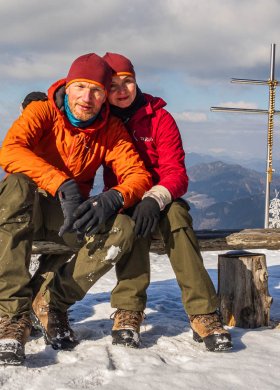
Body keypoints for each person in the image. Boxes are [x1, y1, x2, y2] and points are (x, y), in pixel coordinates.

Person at [23, 53, 233, 352]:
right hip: (122, 197)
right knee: (127, 223)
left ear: (137, 82)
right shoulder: (102, 119)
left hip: (162, 197)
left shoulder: (159, 118)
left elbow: (177, 173)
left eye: (128, 82)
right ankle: (128, 310)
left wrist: (155, 198)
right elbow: (70, 115)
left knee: (176, 218)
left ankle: (203, 313)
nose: (121, 90)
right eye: (113, 85)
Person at [0, 53, 152, 365]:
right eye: (80, 87)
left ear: (105, 96)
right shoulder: (42, 112)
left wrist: (112, 199)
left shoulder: (110, 129)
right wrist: (60, 183)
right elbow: (11, 150)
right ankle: (13, 318)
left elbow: (138, 175)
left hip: (68, 216)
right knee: (16, 185)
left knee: (123, 226)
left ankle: (52, 300)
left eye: (96, 90)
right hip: (28, 207)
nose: (86, 98)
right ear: (68, 85)